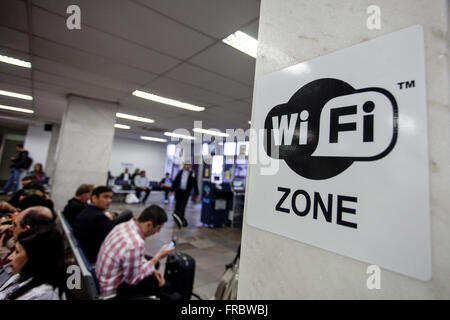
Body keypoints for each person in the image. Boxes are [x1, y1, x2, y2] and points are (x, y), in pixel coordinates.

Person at [95, 205, 176, 299]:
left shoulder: (124, 225)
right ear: (149, 224)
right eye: (158, 228)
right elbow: (133, 280)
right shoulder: (135, 244)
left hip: (102, 279)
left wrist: (152, 269)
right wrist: (158, 256)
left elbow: (133, 258)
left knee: (152, 269)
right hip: (112, 291)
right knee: (160, 285)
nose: (157, 232)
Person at [0, 227, 65, 300]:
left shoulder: (43, 294)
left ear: (33, 257)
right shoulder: (22, 275)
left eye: (17, 252)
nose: (11, 257)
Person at [73, 186, 132, 264]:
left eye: (110, 198)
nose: (109, 201)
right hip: (94, 258)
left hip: (85, 253)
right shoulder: (98, 218)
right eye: (105, 197)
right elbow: (113, 239)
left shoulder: (87, 211)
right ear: (94, 198)